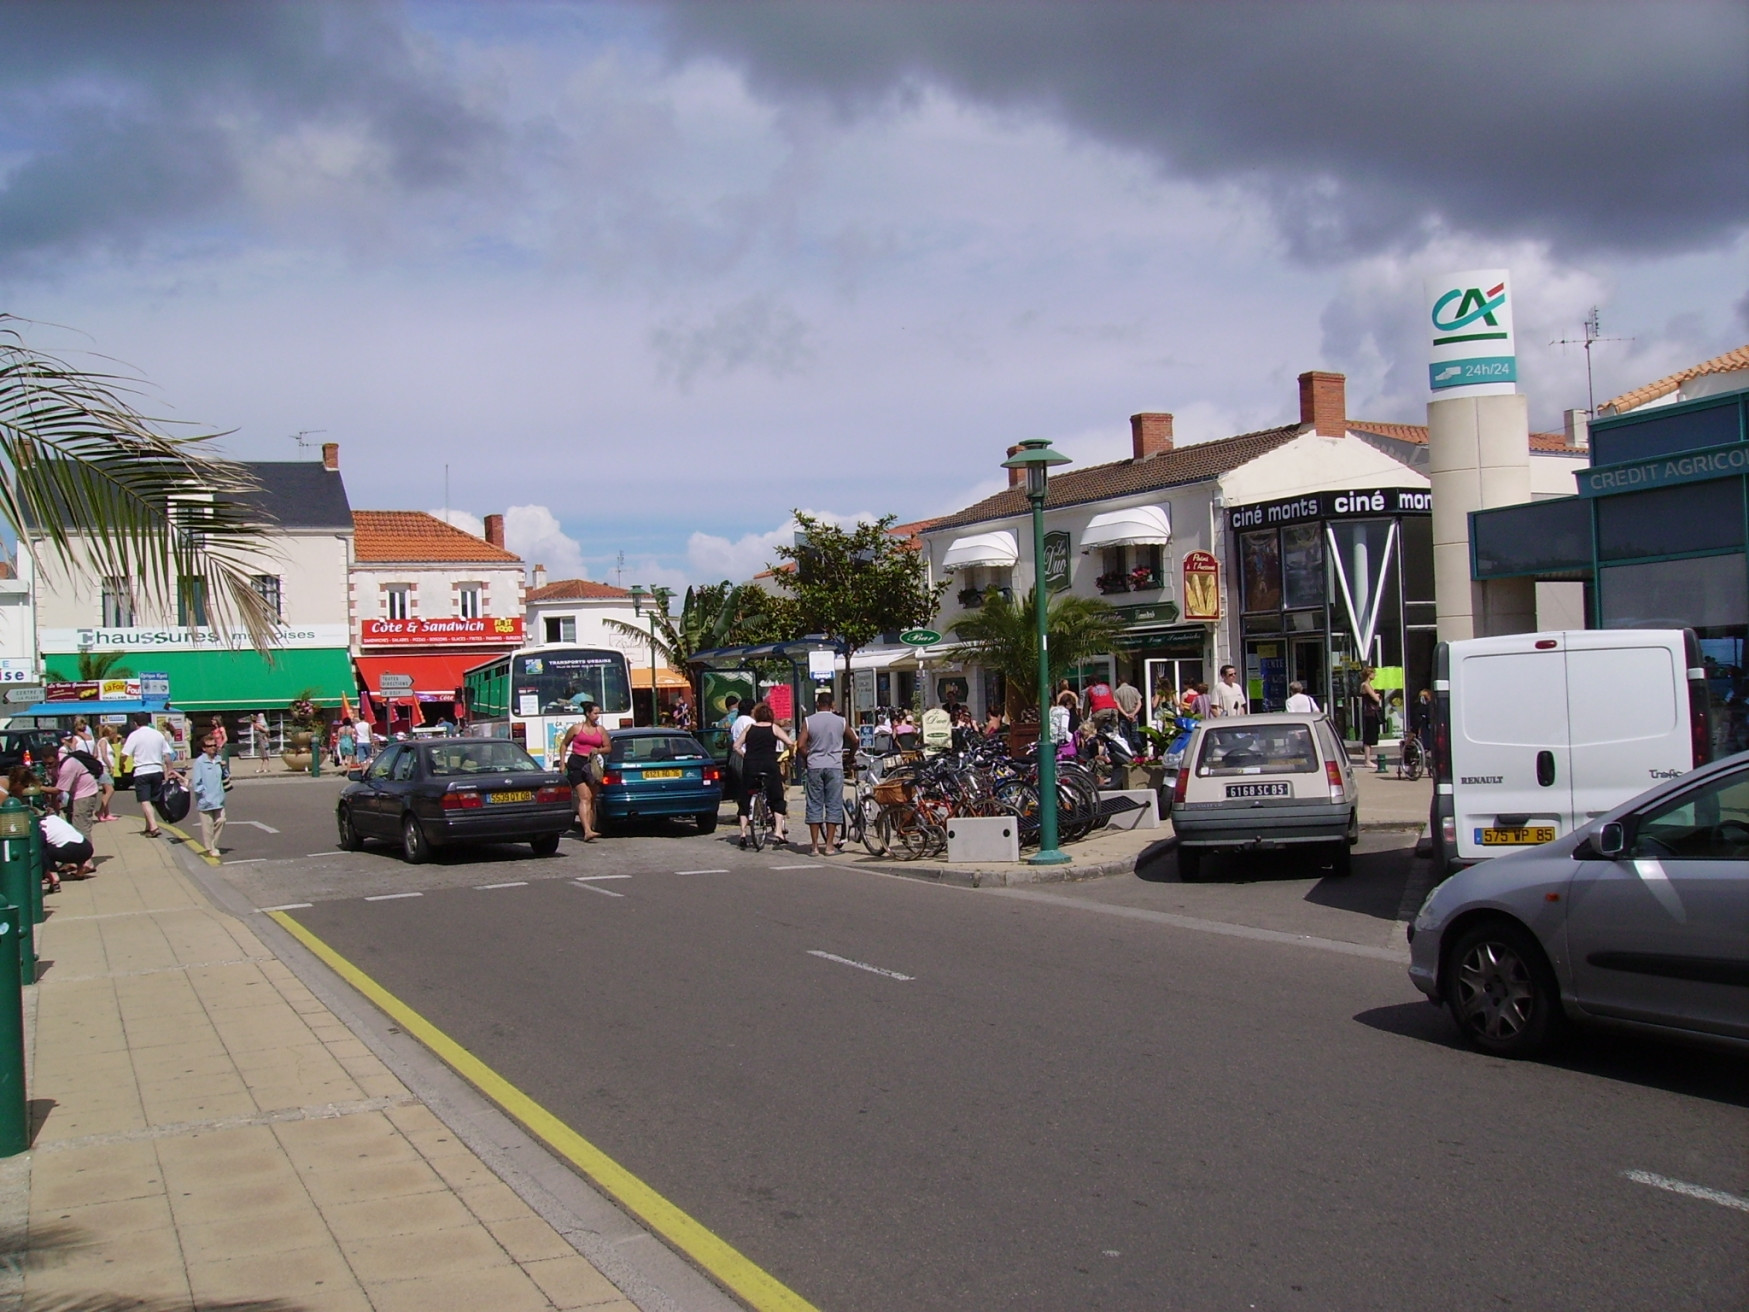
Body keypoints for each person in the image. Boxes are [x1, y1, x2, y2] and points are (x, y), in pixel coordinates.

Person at [797, 692, 856, 855]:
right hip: (834, 765)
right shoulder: (841, 721)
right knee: (834, 804)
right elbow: (855, 740)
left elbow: (801, 745)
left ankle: (815, 846)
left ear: (817, 704)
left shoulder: (809, 721)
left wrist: (808, 757)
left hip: (815, 766)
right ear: (832, 705)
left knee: (814, 804)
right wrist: (850, 757)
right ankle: (829, 846)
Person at [737, 702, 793, 848]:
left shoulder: (750, 728)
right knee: (777, 797)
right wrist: (791, 755)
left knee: (745, 797)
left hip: (750, 766)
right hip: (769, 766)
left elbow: (736, 746)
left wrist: (745, 755)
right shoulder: (773, 728)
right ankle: (779, 831)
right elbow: (790, 743)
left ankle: (743, 833)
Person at [559, 704, 610, 842]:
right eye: (595, 713)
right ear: (588, 714)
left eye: (598, 713)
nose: (597, 716)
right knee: (585, 797)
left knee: (592, 799)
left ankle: (590, 828)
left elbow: (608, 747)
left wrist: (598, 750)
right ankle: (587, 830)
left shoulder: (600, 730)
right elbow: (564, 744)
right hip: (576, 762)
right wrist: (562, 763)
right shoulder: (577, 728)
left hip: (592, 764)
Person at [122, 711, 177, 838]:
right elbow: (167, 755)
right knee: (152, 800)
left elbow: (124, 754)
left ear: (135, 723)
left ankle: (153, 827)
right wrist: (170, 770)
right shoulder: (158, 734)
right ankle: (148, 826)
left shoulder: (135, 735)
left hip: (142, 771)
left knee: (144, 800)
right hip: (157, 770)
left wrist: (122, 764)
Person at [52, 735, 101, 838]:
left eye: (50, 763)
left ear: (56, 757)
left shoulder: (67, 766)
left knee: (81, 826)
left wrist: (39, 787)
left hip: (85, 794)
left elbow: (59, 790)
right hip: (76, 793)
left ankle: (86, 852)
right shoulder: (59, 759)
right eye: (46, 764)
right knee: (73, 823)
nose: (48, 766)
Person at [190, 734, 228, 858]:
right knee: (208, 826)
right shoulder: (200, 762)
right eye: (209, 746)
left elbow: (225, 776)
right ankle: (211, 848)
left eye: (214, 745)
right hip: (205, 800)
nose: (213, 748)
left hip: (218, 798)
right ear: (204, 748)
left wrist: (224, 766)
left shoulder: (218, 759)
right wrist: (204, 795)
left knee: (221, 820)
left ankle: (213, 845)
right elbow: (197, 783)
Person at [40, 807, 94, 880]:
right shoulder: (55, 818)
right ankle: (80, 871)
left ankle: (53, 875)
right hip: (87, 849)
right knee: (72, 842)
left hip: (69, 852)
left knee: (43, 850)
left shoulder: (40, 825)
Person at [1358, 667, 1385, 772]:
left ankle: (1368, 759)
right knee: (1369, 736)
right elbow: (1376, 698)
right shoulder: (1366, 685)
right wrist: (1377, 695)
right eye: (1374, 673)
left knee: (1370, 736)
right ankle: (1367, 760)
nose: (1375, 675)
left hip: (1369, 713)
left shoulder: (1366, 685)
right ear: (1369, 674)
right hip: (1370, 713)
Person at [93, 723, 120, 821]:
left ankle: (106, 813)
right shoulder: (103, 741)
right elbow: (104, 755)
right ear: (110, 733)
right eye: (114, 733)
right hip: (104, 768)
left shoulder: (107, 742)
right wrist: (110, 766)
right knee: (110, 790)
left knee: (106, 791)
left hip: (107, 768)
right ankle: (100, 812)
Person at [1114, 677, 1143, 747]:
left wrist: (1126, 714)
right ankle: (1139, 751)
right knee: (1135, 735)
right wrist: (1133, 714)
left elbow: (1118, 705)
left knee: (1124, 736)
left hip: (1123, 716)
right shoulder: (1134, 690)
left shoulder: (1117, 692)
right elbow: (1139, 703)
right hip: (1134, 715)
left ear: (1119, 681)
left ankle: (1129, 752)